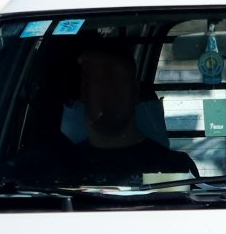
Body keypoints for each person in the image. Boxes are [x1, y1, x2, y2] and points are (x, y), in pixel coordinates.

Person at [12, 38, 198, 182]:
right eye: (92, 81)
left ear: (135, 90)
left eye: (111, 79)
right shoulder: (49, 167)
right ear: (82, 93)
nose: (103, 90)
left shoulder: (174, 168)